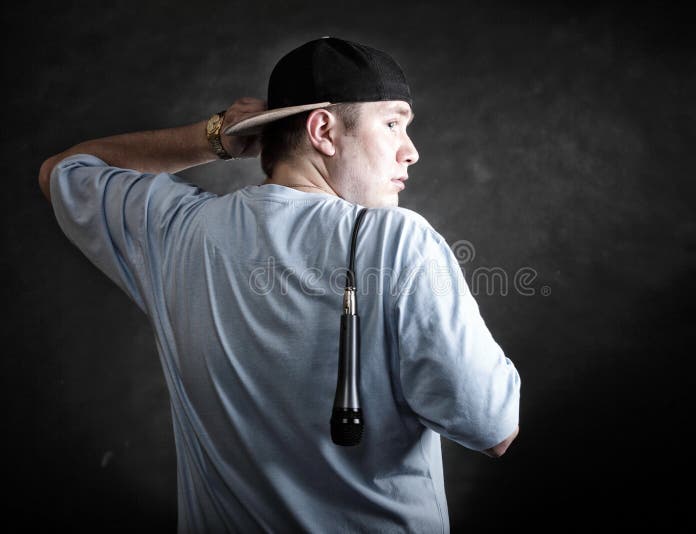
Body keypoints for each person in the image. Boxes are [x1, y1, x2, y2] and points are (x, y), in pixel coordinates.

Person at [39, 36, 521, 533]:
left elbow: (63, 170)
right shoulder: (400, 241)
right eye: (394, 123)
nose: (411, 151)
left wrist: (214, 137)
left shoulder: (176, 231)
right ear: (323, 130)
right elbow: (493, 427)